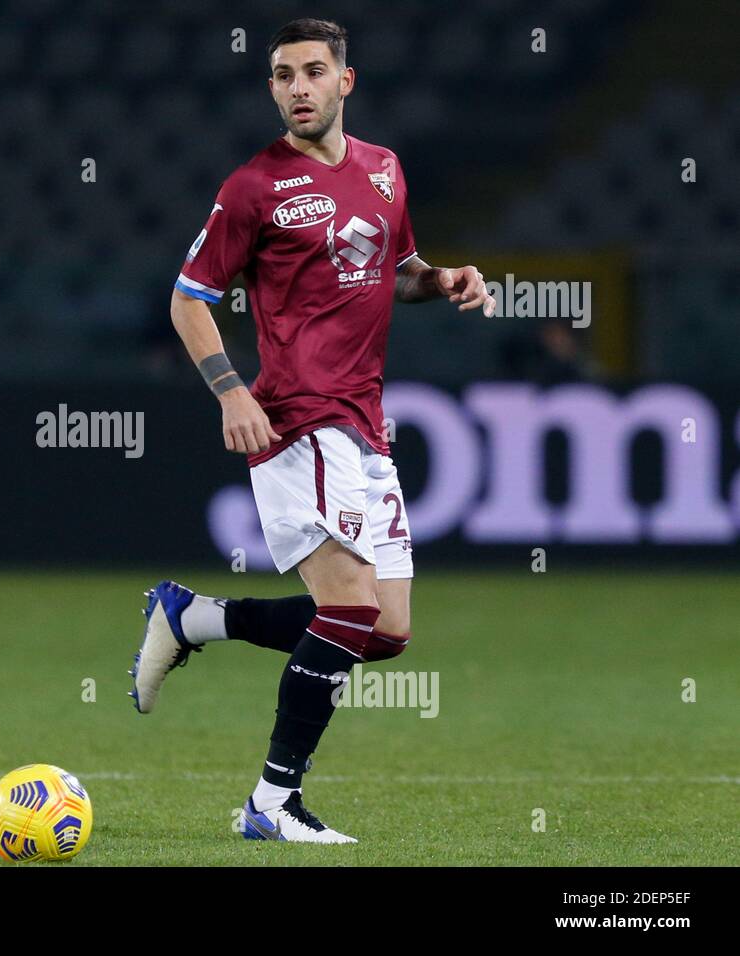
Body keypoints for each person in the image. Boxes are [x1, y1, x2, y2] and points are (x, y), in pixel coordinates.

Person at [129, 18, 496, 844]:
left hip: (366, 421)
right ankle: (272, 803)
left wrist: (446, 279)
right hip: (298, 417)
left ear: (345, 81)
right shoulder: (251, 188)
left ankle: (192, 619)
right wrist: (230, 391)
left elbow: (396, 273)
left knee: (387, 632)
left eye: (313, 71)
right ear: (271, 89)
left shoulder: (385, 170)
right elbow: (189, 298)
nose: (298, 86)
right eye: (283, 75)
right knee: (349, 608)